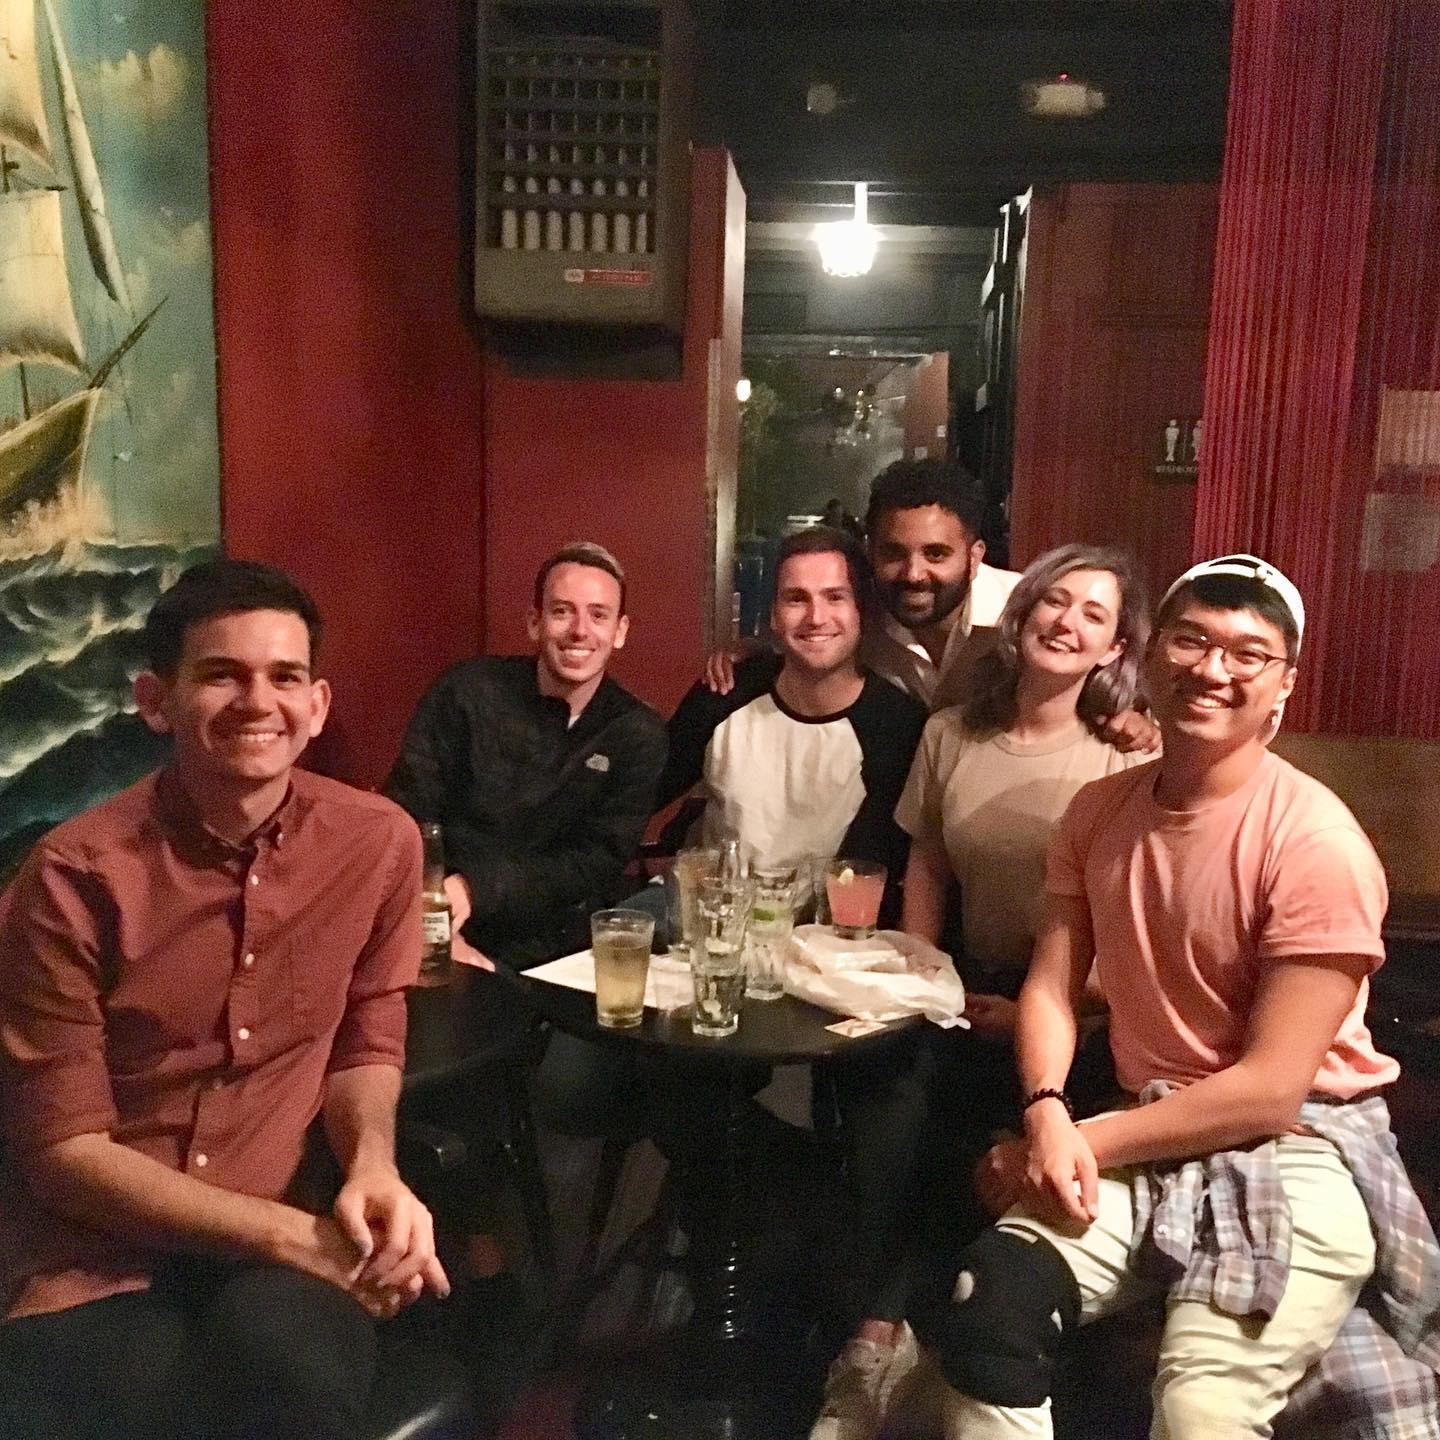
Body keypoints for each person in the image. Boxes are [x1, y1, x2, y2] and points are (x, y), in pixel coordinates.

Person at [916, 554, 1439, 1439]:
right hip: (1141, 1126)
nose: (1213, 669)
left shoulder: (1316, 842)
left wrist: (1070, 1142)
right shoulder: (1098, 810)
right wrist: (1044, 1113)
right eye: (1192, 640)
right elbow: (1051, 986)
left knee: (1201, 1409)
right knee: (984, 1310)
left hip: (1297, 1142)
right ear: (1151, 656)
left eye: (1248, 653)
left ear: (1284, 686)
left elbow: (1272, 1088)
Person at [0, 560, 448, 1440]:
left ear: (317, 706)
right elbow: (63, 1150)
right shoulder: (70, 876)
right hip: (98, 1253)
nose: (258, 702)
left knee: (297, 1401)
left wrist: (372, 1166)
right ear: (154, 701)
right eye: (221, 674)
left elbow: (367, 1041)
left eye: (284, 677)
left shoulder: (378, 844)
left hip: (283, 1235)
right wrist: (293, 1237)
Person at [810, 544, 1151, 1440]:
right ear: (1021, 612)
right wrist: (924, 974)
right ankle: (879, 1345)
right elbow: (925, 858)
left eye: (1093, 614)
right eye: (1053, 601)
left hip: (1081, 1005)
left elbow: (1135, 918)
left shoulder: (1126, 757)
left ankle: (936, 1346)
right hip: (962, 983)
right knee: (887, 1113)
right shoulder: (950, 731)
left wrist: (1059, 1009)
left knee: (981, 1139)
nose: (1066, 621)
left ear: (1115, 648)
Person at [707, 457, 1158, 752]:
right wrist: (756, 648)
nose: (913, 573)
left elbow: (1107, 669)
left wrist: (1133, 717)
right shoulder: (859, 619)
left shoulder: (1028, 614)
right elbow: (807, 634)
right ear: (870, 551)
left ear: (976, 556)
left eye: (936, 554)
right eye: (894, 553)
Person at [385, 541, 667, 971]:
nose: (579, 630)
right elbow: (407, 815)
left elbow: (593, 863)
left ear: (620, 630)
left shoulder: (637, 732)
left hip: (561, 947)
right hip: (439, 923)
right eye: (561, 611)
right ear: (535, 623)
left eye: (598, 614)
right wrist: (437, 925)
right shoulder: (467, 692)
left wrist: (477, 887)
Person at [659, 524, 925, 897]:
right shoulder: (725, 692)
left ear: (860, 612)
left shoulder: (898, 727)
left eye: (834, 597)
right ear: (773, 615)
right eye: (796, 599)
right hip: (716, 925)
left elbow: (893, 868)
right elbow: (641, 791)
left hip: (830, 939)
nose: (816, 617)